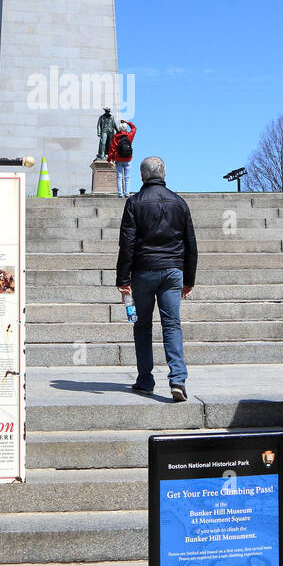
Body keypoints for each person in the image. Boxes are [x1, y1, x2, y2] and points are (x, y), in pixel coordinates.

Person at [116, 156, 198, 403]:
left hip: (143, 271)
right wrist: (189, 279)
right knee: (172, 325)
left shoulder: (134, 203)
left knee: (142, 326)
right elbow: (191, 244)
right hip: (173, 270)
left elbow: (127, 244)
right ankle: (178, 381)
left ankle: (145, 380)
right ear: (164, 174)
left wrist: (123, 278)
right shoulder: (179, 203)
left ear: (142, 176)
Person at [107, 120, 137, 197]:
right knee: (127, 177)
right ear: (126, 128)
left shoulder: (115, 137)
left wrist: (109, 160)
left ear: (119, 129)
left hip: (118, 159)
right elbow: (134, 128)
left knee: (119, 177)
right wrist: (127, 122)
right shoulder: (129, 135)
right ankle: (127, 193)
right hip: (128, 159)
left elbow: (112, 149)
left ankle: (120, 193)